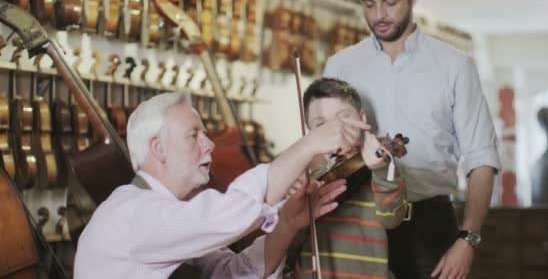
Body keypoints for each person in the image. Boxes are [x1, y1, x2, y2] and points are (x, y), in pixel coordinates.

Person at [323, 0, 501, 279]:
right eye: (368, 3)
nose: (379, 14)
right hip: (357, 220)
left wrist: (468, 239)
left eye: (390, 1)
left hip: (428, 222)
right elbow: (326, 147)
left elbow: (482, 158)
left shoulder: (455, 66)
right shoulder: (339, 66)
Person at [74, 91, 370, 278]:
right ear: (159, 148)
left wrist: (286, 226)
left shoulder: (169, 214)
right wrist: (308, 146)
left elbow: (233, 274)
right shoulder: (132, 213)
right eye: (194, 135)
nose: (210, 144)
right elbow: (225, 214)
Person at [291, 77, 408, 278]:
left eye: (343, 118)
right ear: (309, 130)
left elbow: (392, 219)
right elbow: (288, 237)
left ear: (362, 118)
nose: (335, 129)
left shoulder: (381, 166)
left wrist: (379, 170)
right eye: (321, 124)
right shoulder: (302, 169)